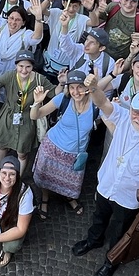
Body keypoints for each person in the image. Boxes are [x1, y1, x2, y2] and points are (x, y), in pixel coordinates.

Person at [72, 90, 139, 276]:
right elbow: (102, 103)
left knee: (120, 228)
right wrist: (94, 87)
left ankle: (112, 260)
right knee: (99, 216)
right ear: (130, 109)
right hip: (107, 184)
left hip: (129, 196)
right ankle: (94, 240)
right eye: (136, 112)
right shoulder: (122, 117)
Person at [31, 70, 98, 219]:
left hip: (74, 154)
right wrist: (36, 102)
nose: (75, 92)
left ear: (86, 87)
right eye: (72, 87)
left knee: (70, 181)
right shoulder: (63, 99)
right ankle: (45, 198)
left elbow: (110, 118)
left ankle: (68, 196)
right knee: (46, 177)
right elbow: (35, 115)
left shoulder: (95, 105)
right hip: (52, 147)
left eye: (79, 87)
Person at [0, 50, 56, 176]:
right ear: (16, 65)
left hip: (28, 118)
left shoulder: (39, 79)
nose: (24, 70)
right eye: (21, 66)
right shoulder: (9, 76)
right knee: (2, 146)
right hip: (8, 116)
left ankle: (18, 177)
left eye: (28, 66)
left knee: (22, 154)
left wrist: (62, 83)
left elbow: (55, 93)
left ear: (33, 67)